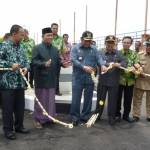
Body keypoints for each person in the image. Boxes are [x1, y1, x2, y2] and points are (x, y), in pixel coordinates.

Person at [70, 31, 106, 126]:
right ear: (81, 39)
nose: (87, 42)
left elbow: (99, 58)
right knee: (76, 99)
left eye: (89, 41)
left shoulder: (94, 49)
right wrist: (83, 67)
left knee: (88, 99)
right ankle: (75, 117)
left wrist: (102, 65)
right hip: (78, 78)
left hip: (90, 78)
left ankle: (85, 116)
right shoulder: (75, 48)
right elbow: (73, 59)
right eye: (86, 40)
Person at [0, 24, 30, 140]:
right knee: (7, 108)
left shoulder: (21, 47)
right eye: (21, 35)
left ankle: (19, 126)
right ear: (14, 34)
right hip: (7, 84)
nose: (23, 37)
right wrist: (10, 65)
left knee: (19, 107)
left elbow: (27, 61)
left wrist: (26, 67)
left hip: (19, 83)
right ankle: (8, 130)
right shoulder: (3, 46)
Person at [32, 27, 60, 128]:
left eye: (51, 35)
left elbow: (58, 61)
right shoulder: (37, 48)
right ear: (42, 37)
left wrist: (63, 64)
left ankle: (50, 117)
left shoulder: (55, 49)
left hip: (52, 79)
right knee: (41, 100)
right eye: (48, 35)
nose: (50, 37)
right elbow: (34, 62)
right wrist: (44, 64)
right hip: (41, 79)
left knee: (50, 100)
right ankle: (38, 119)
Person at [96, 35, 127, 125]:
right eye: (108, 42)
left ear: (114, 44)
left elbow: (125, 63)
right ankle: (97, 115)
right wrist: (108, 64)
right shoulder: (100, 52)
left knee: (112, 101)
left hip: (114, 82)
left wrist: (119, 64)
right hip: (103, 81)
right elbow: (98, 61)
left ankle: (111, 117)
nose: (110, 44)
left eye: (112, 43)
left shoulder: (118, 53)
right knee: (101, 100)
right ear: (105, 43)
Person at [116, 36, 139, 123]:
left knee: (128, 100)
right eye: (124, 42)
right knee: (117, 99)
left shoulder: (134, 54)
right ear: (122, 42)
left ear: (130, 44)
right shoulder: (118, 53)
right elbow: (115, 63)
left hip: (130, 81)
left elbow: (136, 63)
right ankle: (117, 115)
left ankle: (126, 116)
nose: (126, 44)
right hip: (119, 80)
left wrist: (135, 67)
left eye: (128, 42)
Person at [132, 38, 150, 122]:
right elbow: (134, 65)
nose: (149, 47)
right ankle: (136, 115)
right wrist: (138, 72)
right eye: (148, 45)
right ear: (146, 46)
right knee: (137, 99)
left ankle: (149, 115)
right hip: (140, 80)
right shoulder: (140, 55)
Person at [51, 23, 66, 96]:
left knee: (57, 76)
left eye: (56, 28)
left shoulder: (61, 39)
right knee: (49, 76)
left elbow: (63, 50)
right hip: (49, 60)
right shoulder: (48, 37)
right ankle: (50, 91)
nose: (55, 29)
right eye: (53, 28)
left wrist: (64, 59)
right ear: (51, 29)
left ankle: (57, 91)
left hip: (58, 60)